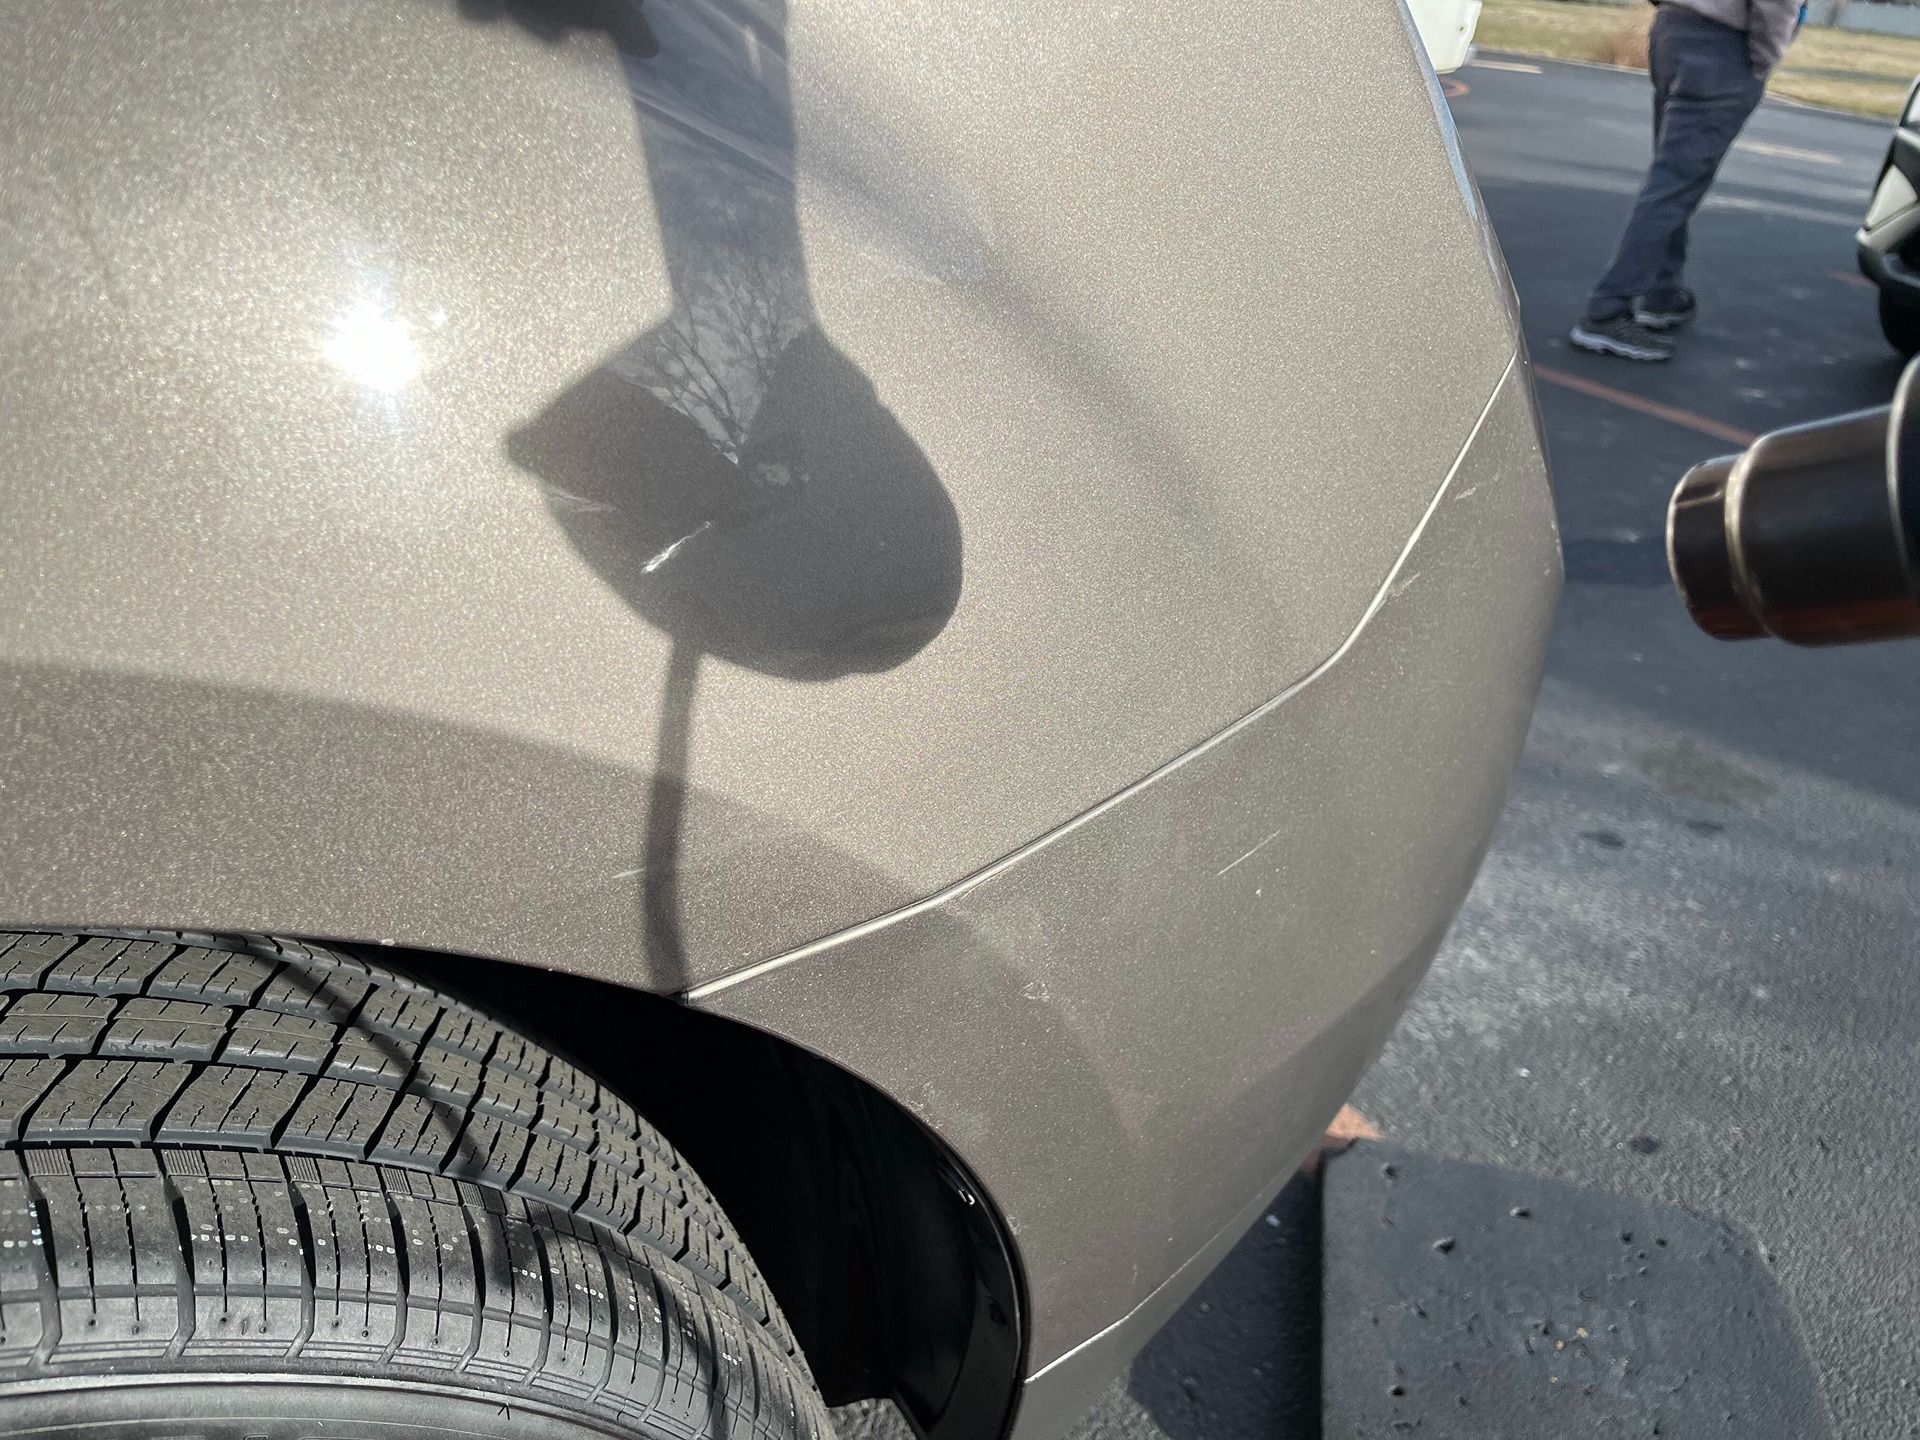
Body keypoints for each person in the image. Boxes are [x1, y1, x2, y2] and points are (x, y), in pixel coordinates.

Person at [1570, 0, 1801, 362]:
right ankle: (1607, 311)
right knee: (1674, 184)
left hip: (1673, 32)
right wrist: (1764, 59)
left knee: (1673, 178)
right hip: (1723, 46)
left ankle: (1662, 293)